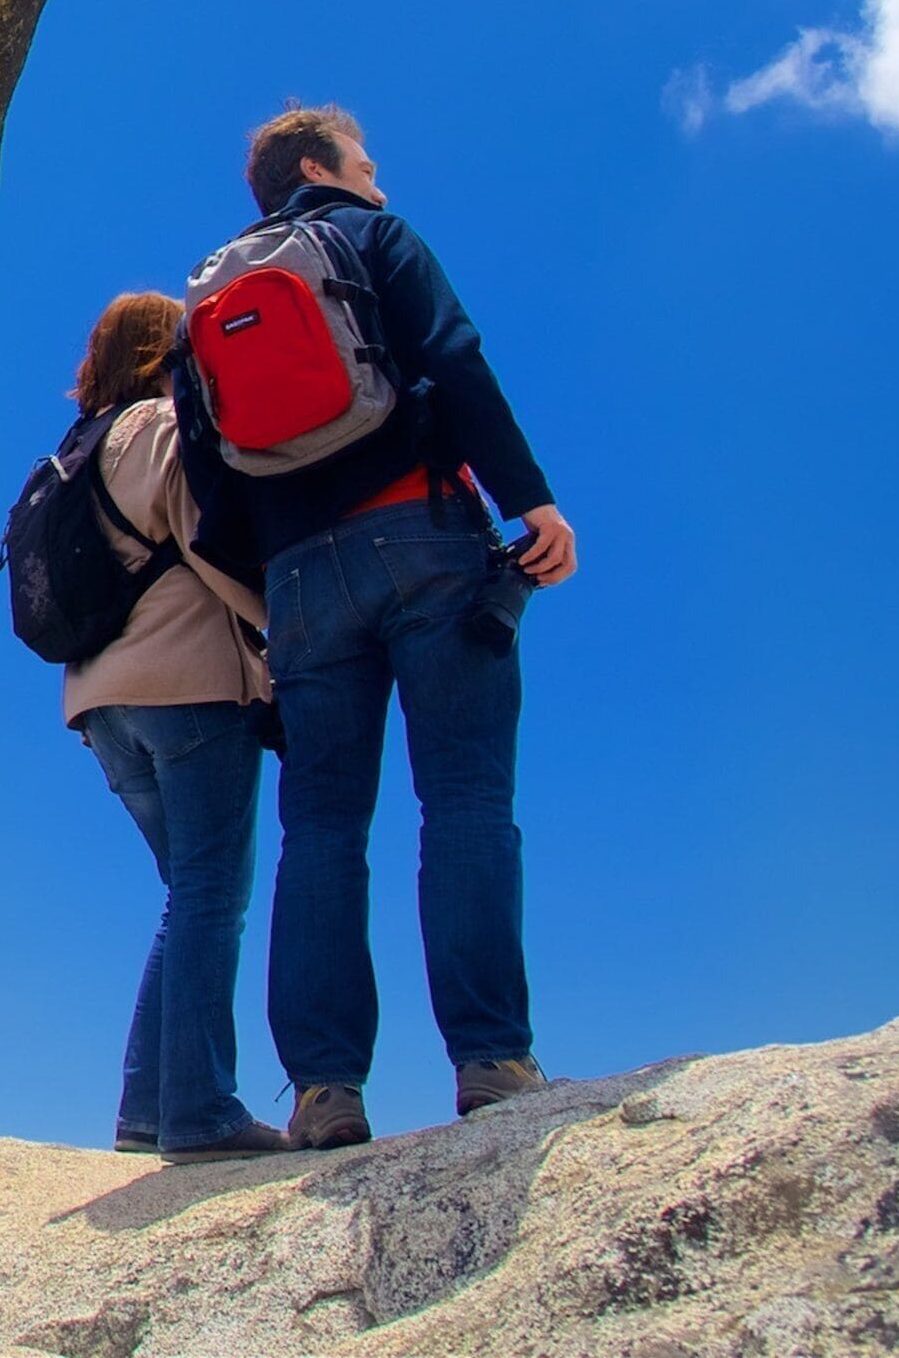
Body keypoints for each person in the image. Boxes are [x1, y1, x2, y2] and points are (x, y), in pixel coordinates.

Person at [179, 106, 578, 1152]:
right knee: (466, 801)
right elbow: (457, 355)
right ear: (320, 168)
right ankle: (492, 1060)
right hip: (423, 534)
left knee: (318, 834)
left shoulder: (206, 299)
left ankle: (323, 1092)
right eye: (367, 163)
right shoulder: (375, 238)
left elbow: (208, 483)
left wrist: (279, 582)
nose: (381, 182)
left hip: (303, 581)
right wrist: (530, 499)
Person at [60, 291, 289, 1162]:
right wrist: (281, 625)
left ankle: (147, 1113)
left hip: (101, 707)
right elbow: (207, 542)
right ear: (169, 350)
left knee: (187, 897)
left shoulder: (76, 447)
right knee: (210, 896)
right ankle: (199, 1111)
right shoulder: (158, 426)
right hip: (184, 687)